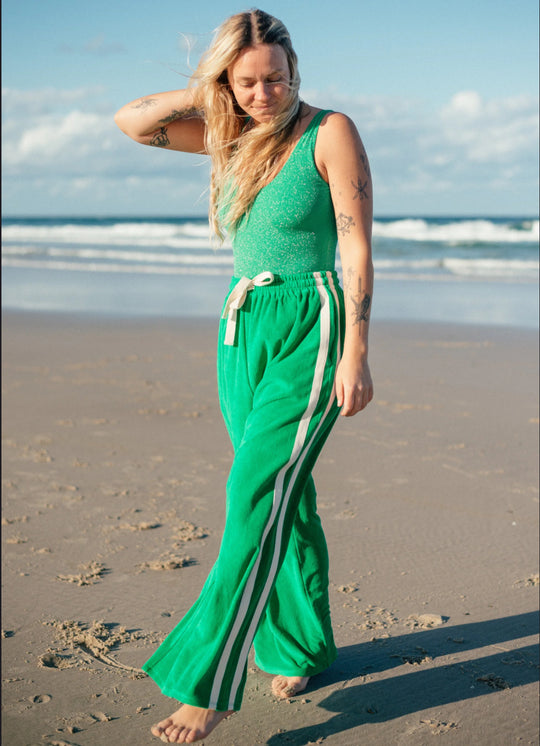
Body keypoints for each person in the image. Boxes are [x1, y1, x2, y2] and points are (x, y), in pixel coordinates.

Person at [114, 8, 373, 744]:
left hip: (311, 323)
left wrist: (356, 350)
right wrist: (210, 91)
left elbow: (356, 245)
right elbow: (131, 120)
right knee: (286, 493)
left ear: (298, 74)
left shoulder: (330, 132)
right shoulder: (228, 138)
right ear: (229, 81)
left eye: (279, 79)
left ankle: (210, 680)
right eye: (250, 81)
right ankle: (302, 645)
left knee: (255, 489)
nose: (267, 93)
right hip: (241, 326)